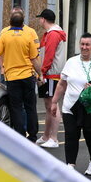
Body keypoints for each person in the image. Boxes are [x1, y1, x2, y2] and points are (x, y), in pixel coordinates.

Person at [52, 33, 91, 175]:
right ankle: (70, 165)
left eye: (87, 44)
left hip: (90, 109)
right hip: (70, 106)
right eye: (82, 44)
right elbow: (62, 83)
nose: (84, 47)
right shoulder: (71, 62)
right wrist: (54, 102)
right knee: (71, 135)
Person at [0, 7, 42, 140]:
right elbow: (34, 58)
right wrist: (40, 74)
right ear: (22, 23)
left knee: (16, 107)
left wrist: (2, 69)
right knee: (30, 106)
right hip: (27, 76)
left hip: (12, 77)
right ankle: (32, 135)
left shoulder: (4, 34)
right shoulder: (28, 35)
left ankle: (19, 135)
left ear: (10, 21)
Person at [35, 9, 67, 149]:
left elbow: (49, 55)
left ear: (43, 19)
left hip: (51, 74)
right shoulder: (52, 33)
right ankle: (46, 135)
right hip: (50, 73)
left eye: (40, 19)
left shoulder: (53, 35)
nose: (39, 21)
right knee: (49, 106)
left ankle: (53, 138)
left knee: (53, 105)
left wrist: (41, 71)